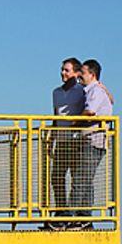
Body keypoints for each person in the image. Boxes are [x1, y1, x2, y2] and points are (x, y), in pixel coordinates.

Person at [73, 58, 114, 230]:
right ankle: (85, 219)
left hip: (93, 140)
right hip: (90, 140)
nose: (79, 76)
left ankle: (71, 217)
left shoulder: (95, 91)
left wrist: (73, 122)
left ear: (92, 74)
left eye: (82, 72)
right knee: (86, 180)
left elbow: (90, 112)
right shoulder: (93, 90)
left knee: (80, 179)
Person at [47, 57, 86, 229]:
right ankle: (61, 210)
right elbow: (55, 116)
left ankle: (78, 213)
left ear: (76, 73)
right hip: (61, 139)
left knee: (78, 177)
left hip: (75, 140)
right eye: (62, 69)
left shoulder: (81, 90)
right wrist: (51, 139)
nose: (63, 73)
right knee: (57, 177)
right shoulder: (56, 92)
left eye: (67, 70)